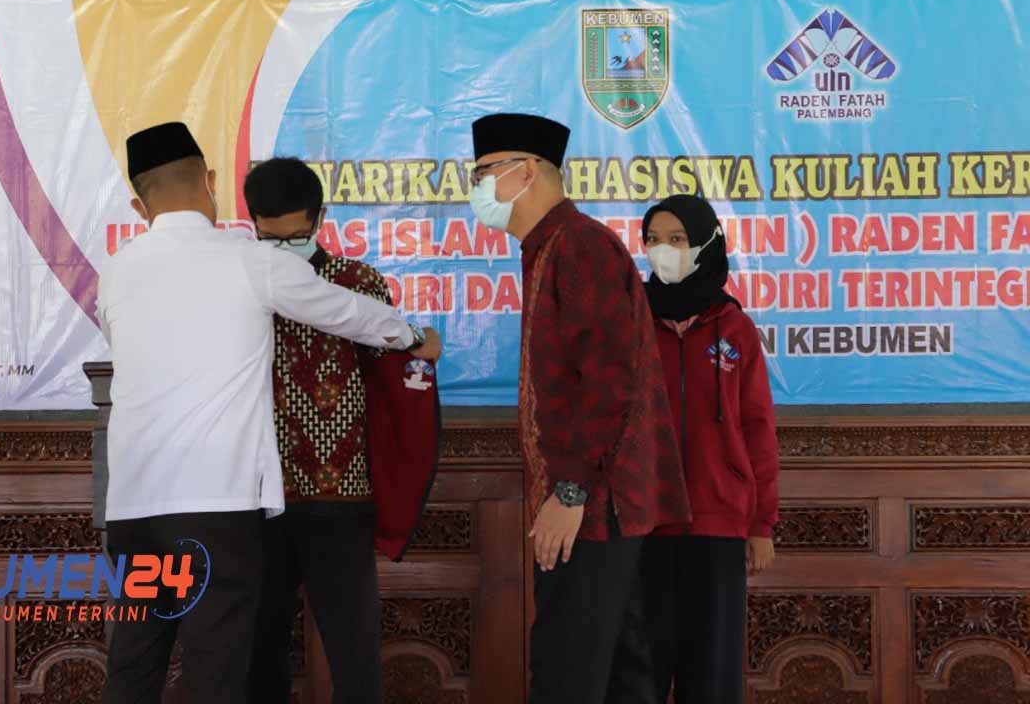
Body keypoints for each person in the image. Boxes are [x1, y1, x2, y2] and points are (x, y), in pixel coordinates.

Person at [95, 123, 440, 704]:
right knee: (217, 669)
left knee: (134, 664)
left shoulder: (117, 271)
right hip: (216, 509)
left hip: (134, 508)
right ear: (210, 183)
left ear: (138, 204)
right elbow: (347, 312)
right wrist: (412, 336)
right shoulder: (249, 261)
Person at [467, 112, 691, 703]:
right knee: (619, 674)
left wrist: (570, 494)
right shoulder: (549, 247)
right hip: (594, 501)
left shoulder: (580, 246)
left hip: (593, 505)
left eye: (484, 172)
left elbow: (609, 383)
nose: (477, 187)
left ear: (527, 171)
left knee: (567, 672)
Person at [243, 158, 440, 704]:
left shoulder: (357, 282)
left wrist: (421, 348)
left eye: (296, 236)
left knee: (354, 656)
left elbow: (393, 377)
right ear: (251, 221)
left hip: (342, 498)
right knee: (258, 653)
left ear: (320, 218)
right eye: (271, 238)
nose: (284, 249)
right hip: (257, 497)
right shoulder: (241, 284)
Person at [639, 194, 779, 704]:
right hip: (642, 525)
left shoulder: (734, 328)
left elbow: (757, 428)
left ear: (705, 244)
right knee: (638, 674)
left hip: (718, 527)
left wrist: (761, 525)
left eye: (677, 239)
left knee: (712, 676)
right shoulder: (630, 321)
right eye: (653, 240)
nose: (664, 250)